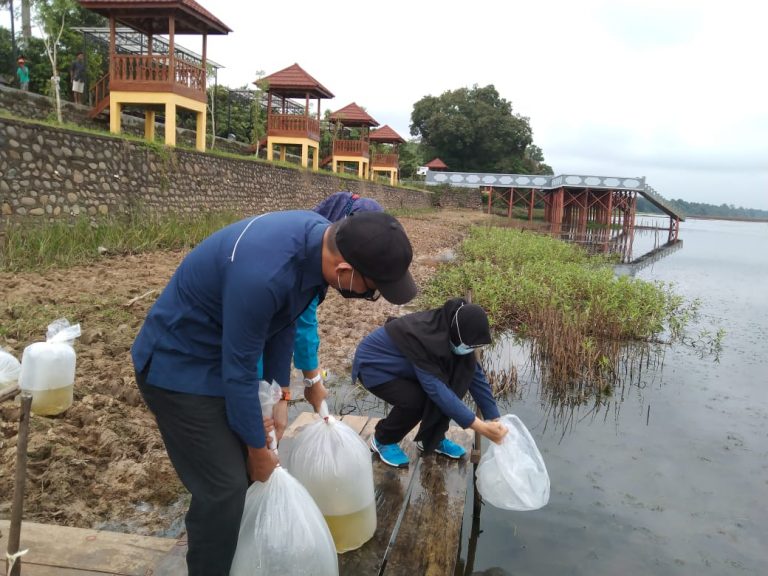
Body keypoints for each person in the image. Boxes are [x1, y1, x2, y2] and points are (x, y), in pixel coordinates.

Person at [131, 210, 416, 576]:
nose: (369, 295)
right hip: (180, 366)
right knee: (225, 489)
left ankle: (246, 559)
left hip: (226, 359)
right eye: (372, 289)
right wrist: (257, 449)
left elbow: (284, 321)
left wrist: (280, 395)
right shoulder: (263, 275)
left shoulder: (316, 248)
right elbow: (239, 371)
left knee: (251, 475)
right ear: (344, 270)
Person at [352, 297, 508, 468]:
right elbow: (436, 389)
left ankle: (432, 439)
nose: (469, 350)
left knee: (454, 382)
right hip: (375, 365)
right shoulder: (427, 340)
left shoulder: (456, 330)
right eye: (467, 346)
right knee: (416, 401)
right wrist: (482, 428)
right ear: (456, 335)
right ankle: (383, 440)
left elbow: (474, 375)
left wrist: (494, 418)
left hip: (406, 365)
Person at [257, 191, 384, 395]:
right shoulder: (302, 265)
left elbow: (287, 328)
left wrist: (284, 392)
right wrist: (313, 381)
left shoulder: (312, 248)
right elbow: (303, 326)